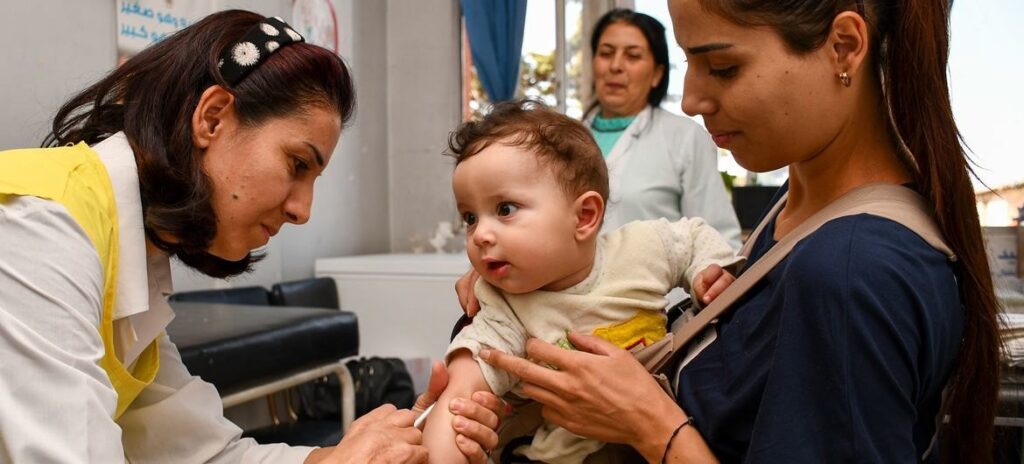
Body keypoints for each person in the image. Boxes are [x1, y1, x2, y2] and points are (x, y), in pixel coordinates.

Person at [467, 1, 1001, 463]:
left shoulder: (850, 271)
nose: (693, 98)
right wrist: (528, 286)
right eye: (688, 63)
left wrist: (652, 427)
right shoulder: (795, 210)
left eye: (722, 67)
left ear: (843, 46)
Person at [0, 10, 502, 463]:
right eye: (297, 164)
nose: (303, 210)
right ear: (213, 117)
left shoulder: (133, 256)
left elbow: (204, 453)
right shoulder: (39, 226)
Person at [423, 100, 741, 464]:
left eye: (505, 209)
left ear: (585, 216)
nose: (480, 234)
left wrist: (708, 271)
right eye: (470, 217)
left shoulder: (643, 247)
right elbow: (459, 404)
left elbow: (694, 238)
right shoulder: (505, 310)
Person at [585, 8, 741, 249]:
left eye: (633, 56)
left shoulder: (685, 137)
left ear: (657, 74)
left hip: (659, 287)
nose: (615, 66)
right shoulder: (563, 139)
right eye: (606, 53)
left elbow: (717, 239)